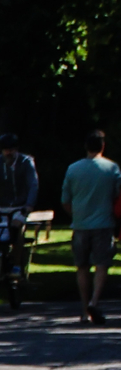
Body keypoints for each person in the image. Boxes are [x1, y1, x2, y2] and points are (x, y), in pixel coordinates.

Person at [59, 131, 118, 325]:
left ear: (86, 146)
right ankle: (95, 301)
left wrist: (76, 215)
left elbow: (65, 200)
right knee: (102, 265)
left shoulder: (73, 169)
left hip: (81, 225)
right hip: (104, 224)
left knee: (82, 267)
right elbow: (119, 197)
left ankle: (84, 309)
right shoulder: (111, 168)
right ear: (103, 146)